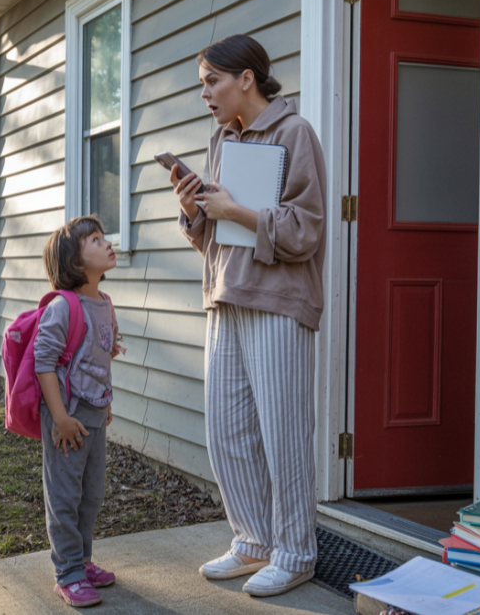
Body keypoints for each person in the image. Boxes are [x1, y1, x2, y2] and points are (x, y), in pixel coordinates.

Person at [172, 34, 326, 597]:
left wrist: (235, 208)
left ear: (246, 78)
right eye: (201, 84)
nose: (206, 94)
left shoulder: (294, 133)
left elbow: (306, 229)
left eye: (212, 81)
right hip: (226, 295)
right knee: (227, 430)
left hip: (279, 302)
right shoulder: (221, 139)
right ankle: (254, 539)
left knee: (283, 432)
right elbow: (217, 238)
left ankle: (296, 551)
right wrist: (194, 213)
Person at [35, 216, 124, 607]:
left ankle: (82, 561)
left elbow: (101, 358)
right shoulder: (62, 307)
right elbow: (44, 362)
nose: (107, 244)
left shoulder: (104, 303)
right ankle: (67, 572)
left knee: (90, 494)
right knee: (64, 495)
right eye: (95, 240)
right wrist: (59, 417)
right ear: (75, 260)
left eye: (104, 238)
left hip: (93, 415)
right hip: (65, 418)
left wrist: (106, 402)